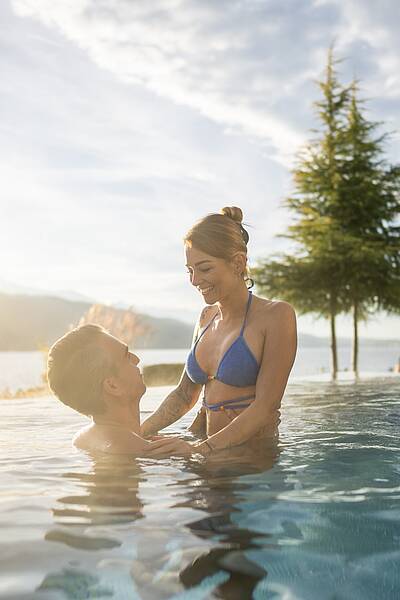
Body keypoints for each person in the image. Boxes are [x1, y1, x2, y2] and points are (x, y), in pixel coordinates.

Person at [141, 206, 297, 458]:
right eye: (189, 270)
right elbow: (183, 396)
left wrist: (198, 451)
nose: (194, 280)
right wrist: (137, 434)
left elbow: (266, 406)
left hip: (251, 459)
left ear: (238, 263)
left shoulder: (276, 316)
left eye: (204, 268)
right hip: (208, 452)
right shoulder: (205, 317)